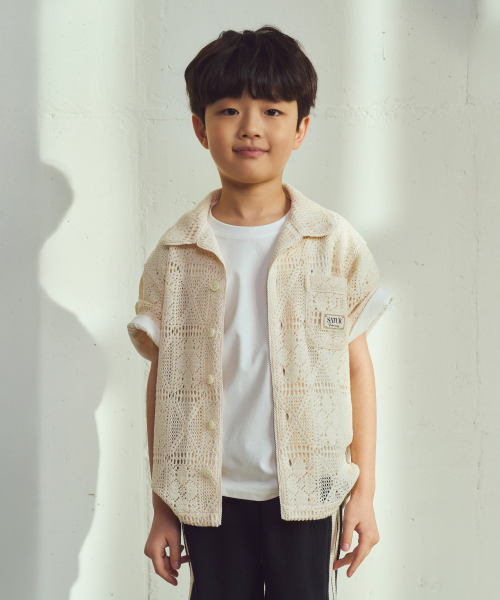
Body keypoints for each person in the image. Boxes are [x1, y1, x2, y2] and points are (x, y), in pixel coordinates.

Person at [127, 25, 394, 600]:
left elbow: (356, 370)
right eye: (229, 110)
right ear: (200, 128)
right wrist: (163, 506)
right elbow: (164, 383)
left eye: (272, 110)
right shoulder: (176, 254)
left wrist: (364, 493)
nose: (250, 126)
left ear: (300, 129)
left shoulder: (332, 244)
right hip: (208, 494)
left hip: (308, 492)